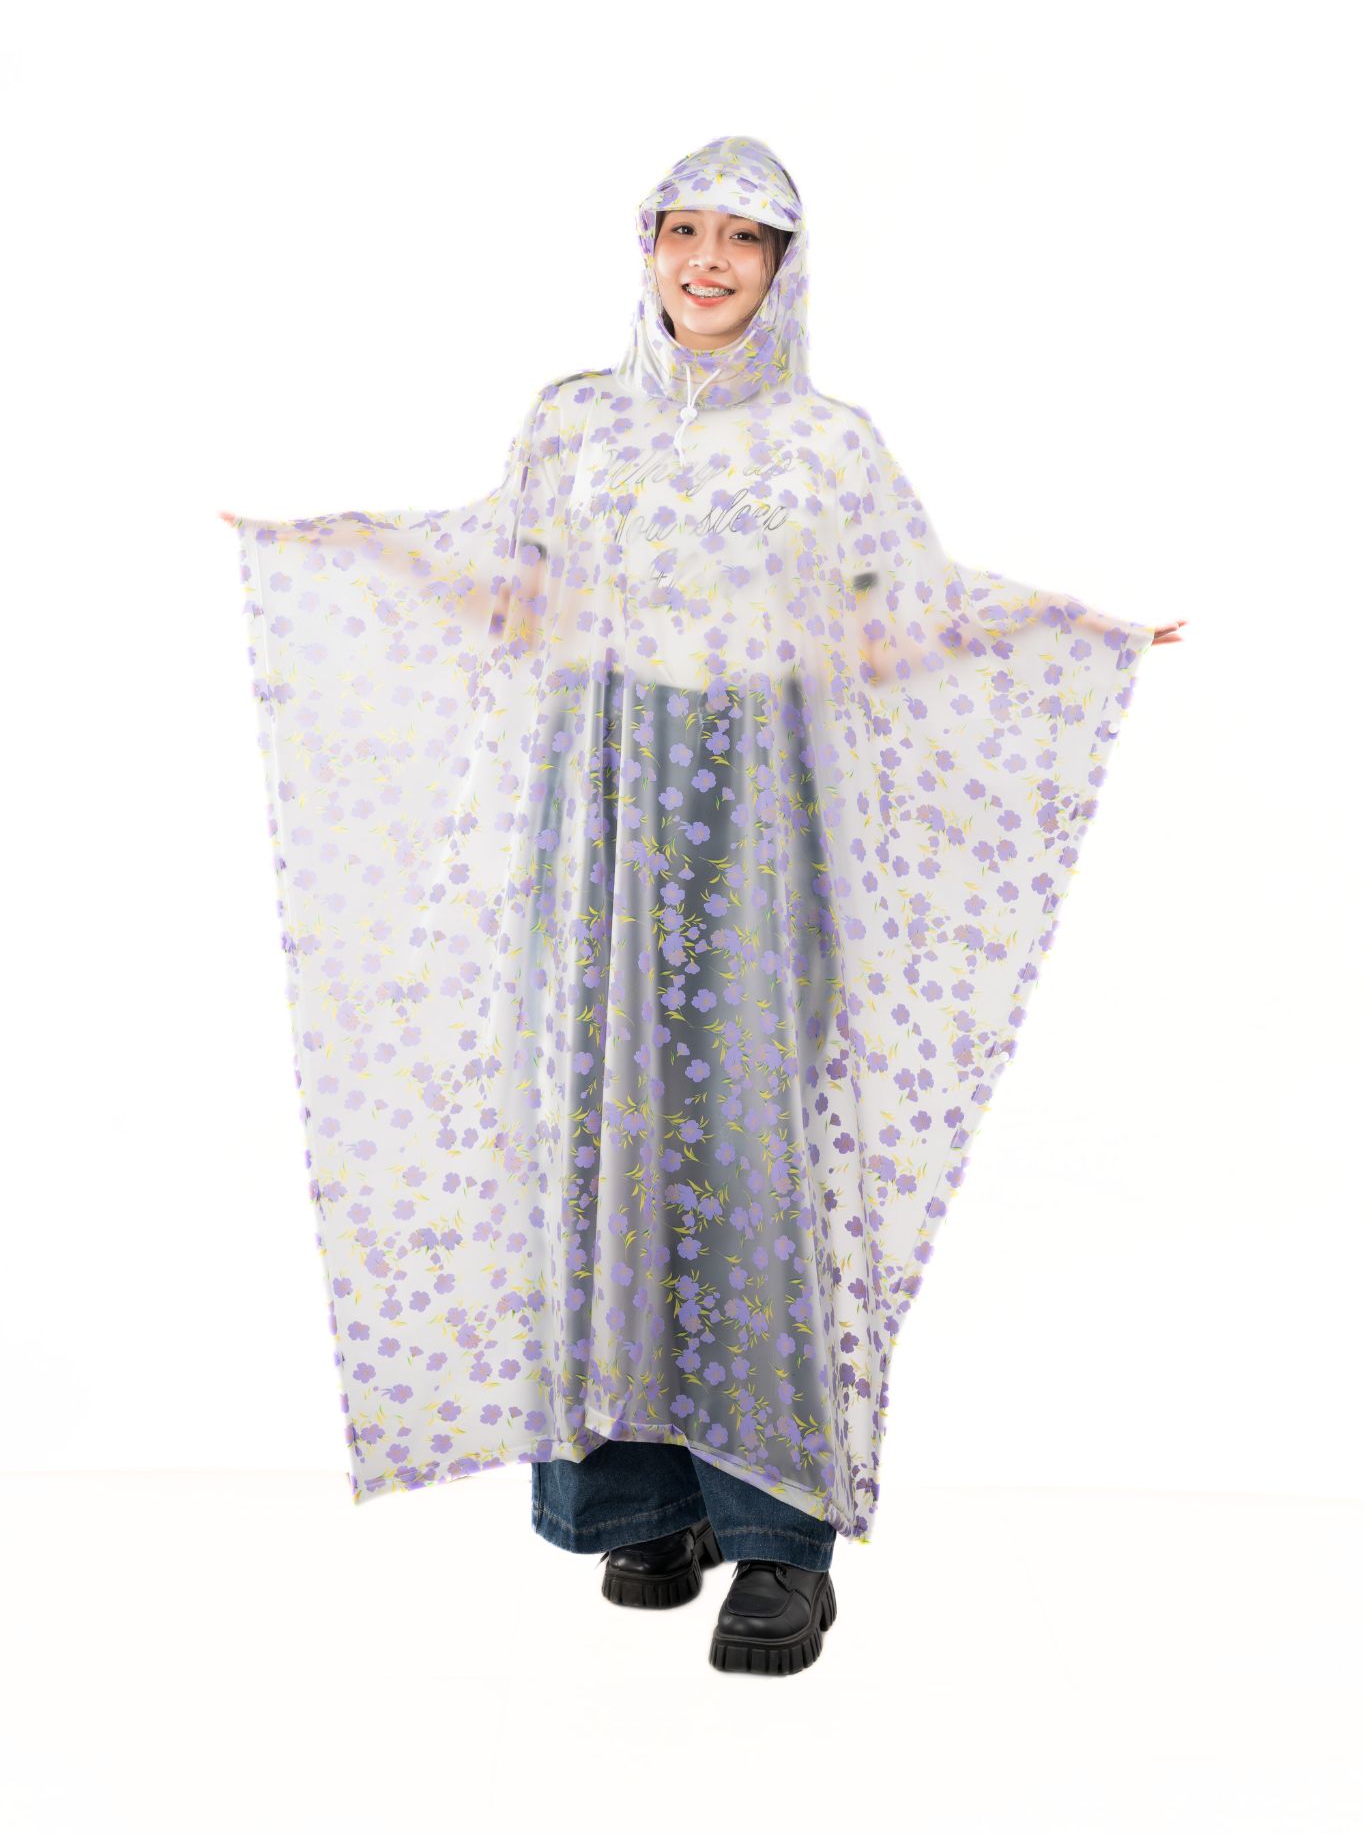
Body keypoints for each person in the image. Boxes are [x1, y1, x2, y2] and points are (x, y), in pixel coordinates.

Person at [223, 133, 1183, 1680]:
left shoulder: (827, 448)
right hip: (596, 822)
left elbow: (895, 628)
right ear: (648, 248)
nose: (708, 263)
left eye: (743, 239)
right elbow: (509, 592)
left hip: (755, 828)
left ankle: (777, 1546)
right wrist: (335, 558)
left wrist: (1062, 639)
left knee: (749, 1160)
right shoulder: (574, 424)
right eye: (684, 232)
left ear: (784, 269)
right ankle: (640, 1508)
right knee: (598, 1147)